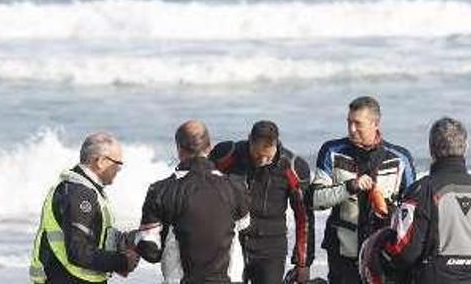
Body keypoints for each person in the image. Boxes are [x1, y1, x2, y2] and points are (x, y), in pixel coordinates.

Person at [359, 117, 471, 284]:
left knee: (379, 241)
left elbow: (405, 253)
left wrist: (377, 245)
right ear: (466, 148)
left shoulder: (420, 191)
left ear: (431, 150)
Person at [310, 96, 416, 284]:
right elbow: (315, 201)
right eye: (349, 122)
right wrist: (350, 186)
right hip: (343, 253)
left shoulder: (400, 158)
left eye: (358, 123)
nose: (352, 129)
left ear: (375, 123)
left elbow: (412, 212)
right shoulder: (332, 151)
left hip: (384, 253)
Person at [135, 119, 251, 284]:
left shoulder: (160, 190)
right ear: (210, 147)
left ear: (179, 149)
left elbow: (150, 251)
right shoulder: (236, 187)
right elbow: (244, 229)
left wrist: (133, 241)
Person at [209, 120, 315, 284]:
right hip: (232, 241)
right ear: (249, 140)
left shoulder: (294, 167)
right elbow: (201, 188)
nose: (263, 160)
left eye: (268, 156)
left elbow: (304, 217)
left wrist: (303, 263)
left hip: (271, 247)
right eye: (258, 155)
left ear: (276, 144)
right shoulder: (227, 155)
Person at [28, 133, 140, 284]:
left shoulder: (83, 190)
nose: (119, 169)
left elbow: (93, 237)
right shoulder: (80, 194)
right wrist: (122, 262)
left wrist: (127, 240)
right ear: (100, 162)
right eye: (117, 163)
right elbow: (78, 253)